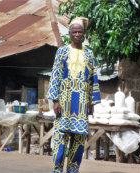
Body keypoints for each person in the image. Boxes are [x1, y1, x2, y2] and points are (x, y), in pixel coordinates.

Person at [47, 16, 101, 173]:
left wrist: (91, 103)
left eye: (80, 32)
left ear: (84, 34)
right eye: (74, 32)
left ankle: (73, 170)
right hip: (64, 104)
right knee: (60, 141)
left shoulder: (90, 54)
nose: (77, 34)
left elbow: (93, 79)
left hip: (82, 105)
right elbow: (55, 75)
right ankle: (57, 170)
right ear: (69, 33)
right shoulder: (62, 52)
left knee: (78, 142)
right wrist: (55, 100)